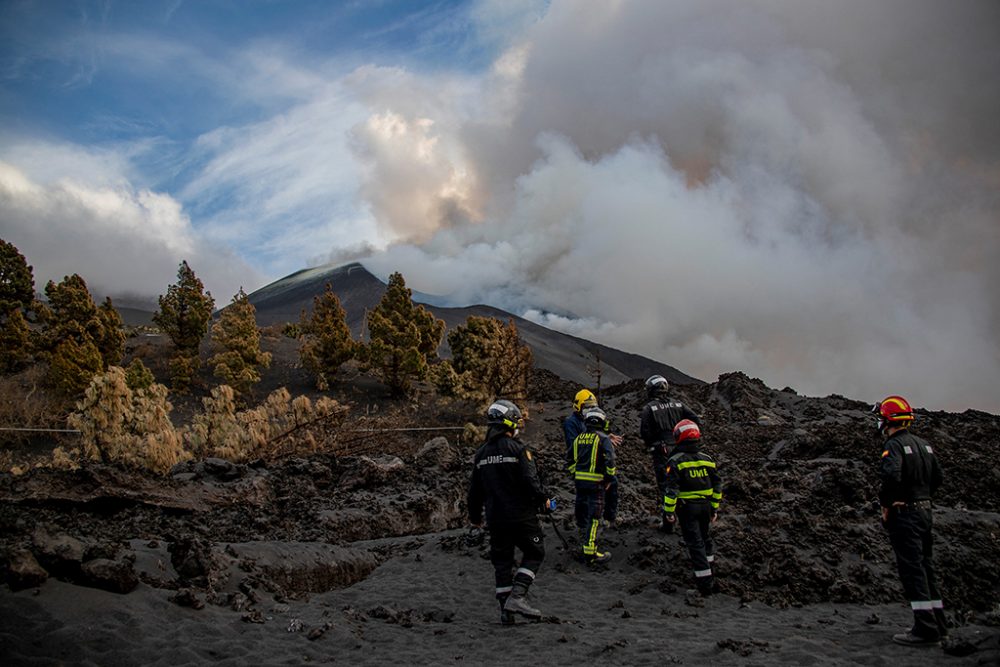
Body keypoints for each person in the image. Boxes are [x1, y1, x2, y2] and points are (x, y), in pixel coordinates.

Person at [468, 399, 555, 624]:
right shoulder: (519, 450)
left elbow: (474, 491)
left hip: (495, 518)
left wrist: (475, 519)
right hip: (521, 515)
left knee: (502, 561)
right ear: (508, 423)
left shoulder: (481, 455)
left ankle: (505, 611)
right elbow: (530, 481)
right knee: (536, 552)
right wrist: (544, 499)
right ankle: (518, 596)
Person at [874, 395, 946, 647]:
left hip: (905, 515)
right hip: (925, 511)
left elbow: (891, 476)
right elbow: (938, 477)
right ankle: (938, 623)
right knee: (927, 566)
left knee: (912, 569)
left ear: (887, 420)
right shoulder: (924, 445)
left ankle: (925, 629)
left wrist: (888, 504)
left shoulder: (893, 445)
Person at [663, 419, 722, 595]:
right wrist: (714, 508)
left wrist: (668, 511)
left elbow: (672, 490)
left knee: (695, 545)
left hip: (687, 509)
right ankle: (709, 573)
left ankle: (705, 586)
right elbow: (717, 486)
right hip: (705, 507)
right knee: (706, 540)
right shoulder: (708, 460)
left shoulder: (675, 460)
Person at [639, 375, 701, 532]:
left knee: (666, 485)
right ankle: (689, 519)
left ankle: (668, 522)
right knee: (685, 482)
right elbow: (695, 419)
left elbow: (645, 432)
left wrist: (653, 445)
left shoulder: (649, 408)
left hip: (662, 451)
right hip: (681, 449)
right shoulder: (679, 404)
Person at [564, 389, 622, 526]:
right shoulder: (571, 422)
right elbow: (573, 445)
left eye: (592, 406)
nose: (590, 409)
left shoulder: (590, 419)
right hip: (584, 464)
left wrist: (607, 436)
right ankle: (583, 523)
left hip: (597, 462)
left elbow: (600, 433)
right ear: (578, 406)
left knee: (612, 487)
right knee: (583, 496)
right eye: (587, 406)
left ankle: (609, 517)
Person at [569, 407, 616, 564]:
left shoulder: (579, 438)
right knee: (595, 517)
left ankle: (582, 532)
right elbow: (610, 460)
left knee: (581, 507)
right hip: (597, 483)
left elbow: (570, 459)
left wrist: (575, 475)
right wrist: (609, 478)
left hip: (580, 482)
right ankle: (590, 552)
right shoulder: (603, 438)